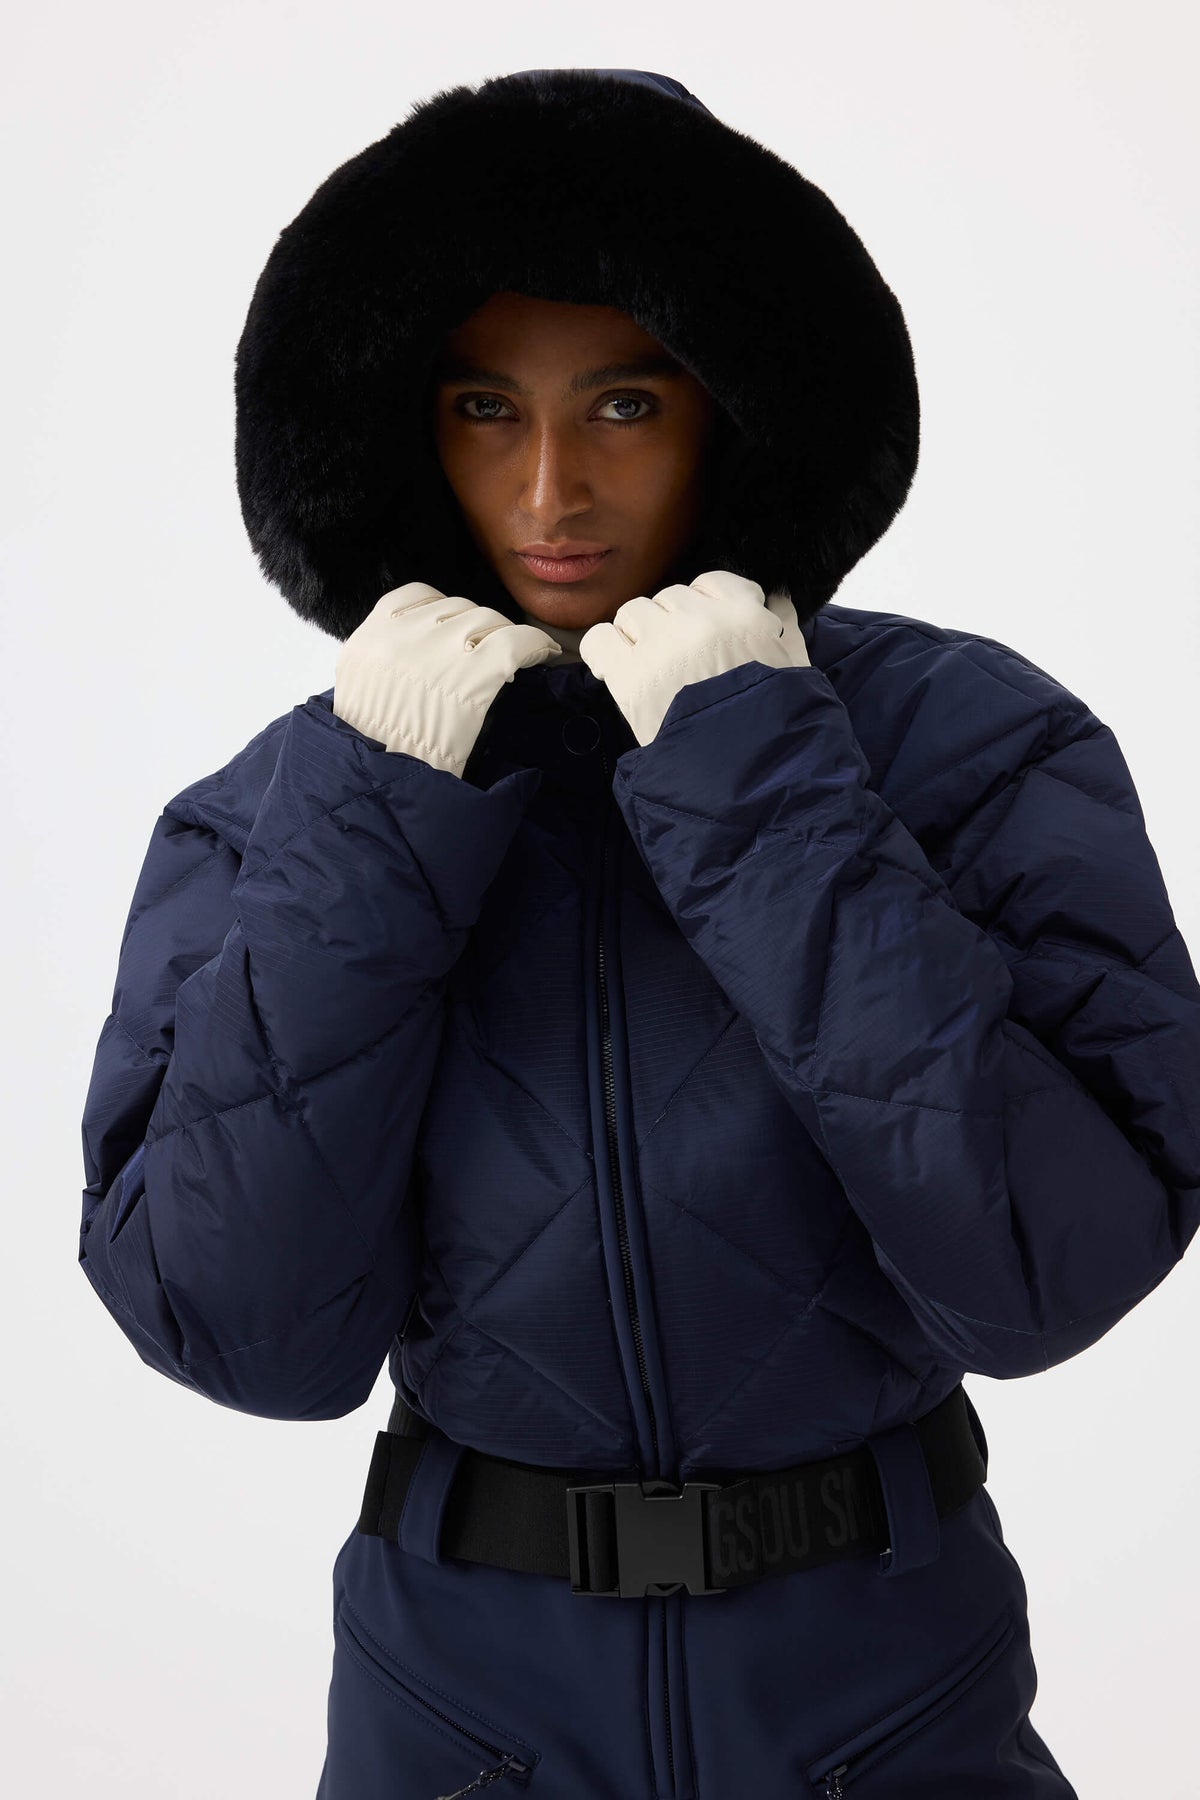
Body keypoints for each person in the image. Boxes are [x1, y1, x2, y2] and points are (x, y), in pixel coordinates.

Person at [77, 68, 1200, 1798]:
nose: (550, 489)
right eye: (483, 406)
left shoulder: (973, 747)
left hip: (887, 1696)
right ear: (396, 424)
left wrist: (757, 777)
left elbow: (1043, 1277)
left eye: (622, 403)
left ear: (734, 411)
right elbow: (245, 1333)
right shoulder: (288, 809)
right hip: (464, 1714)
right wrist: (375, 817)